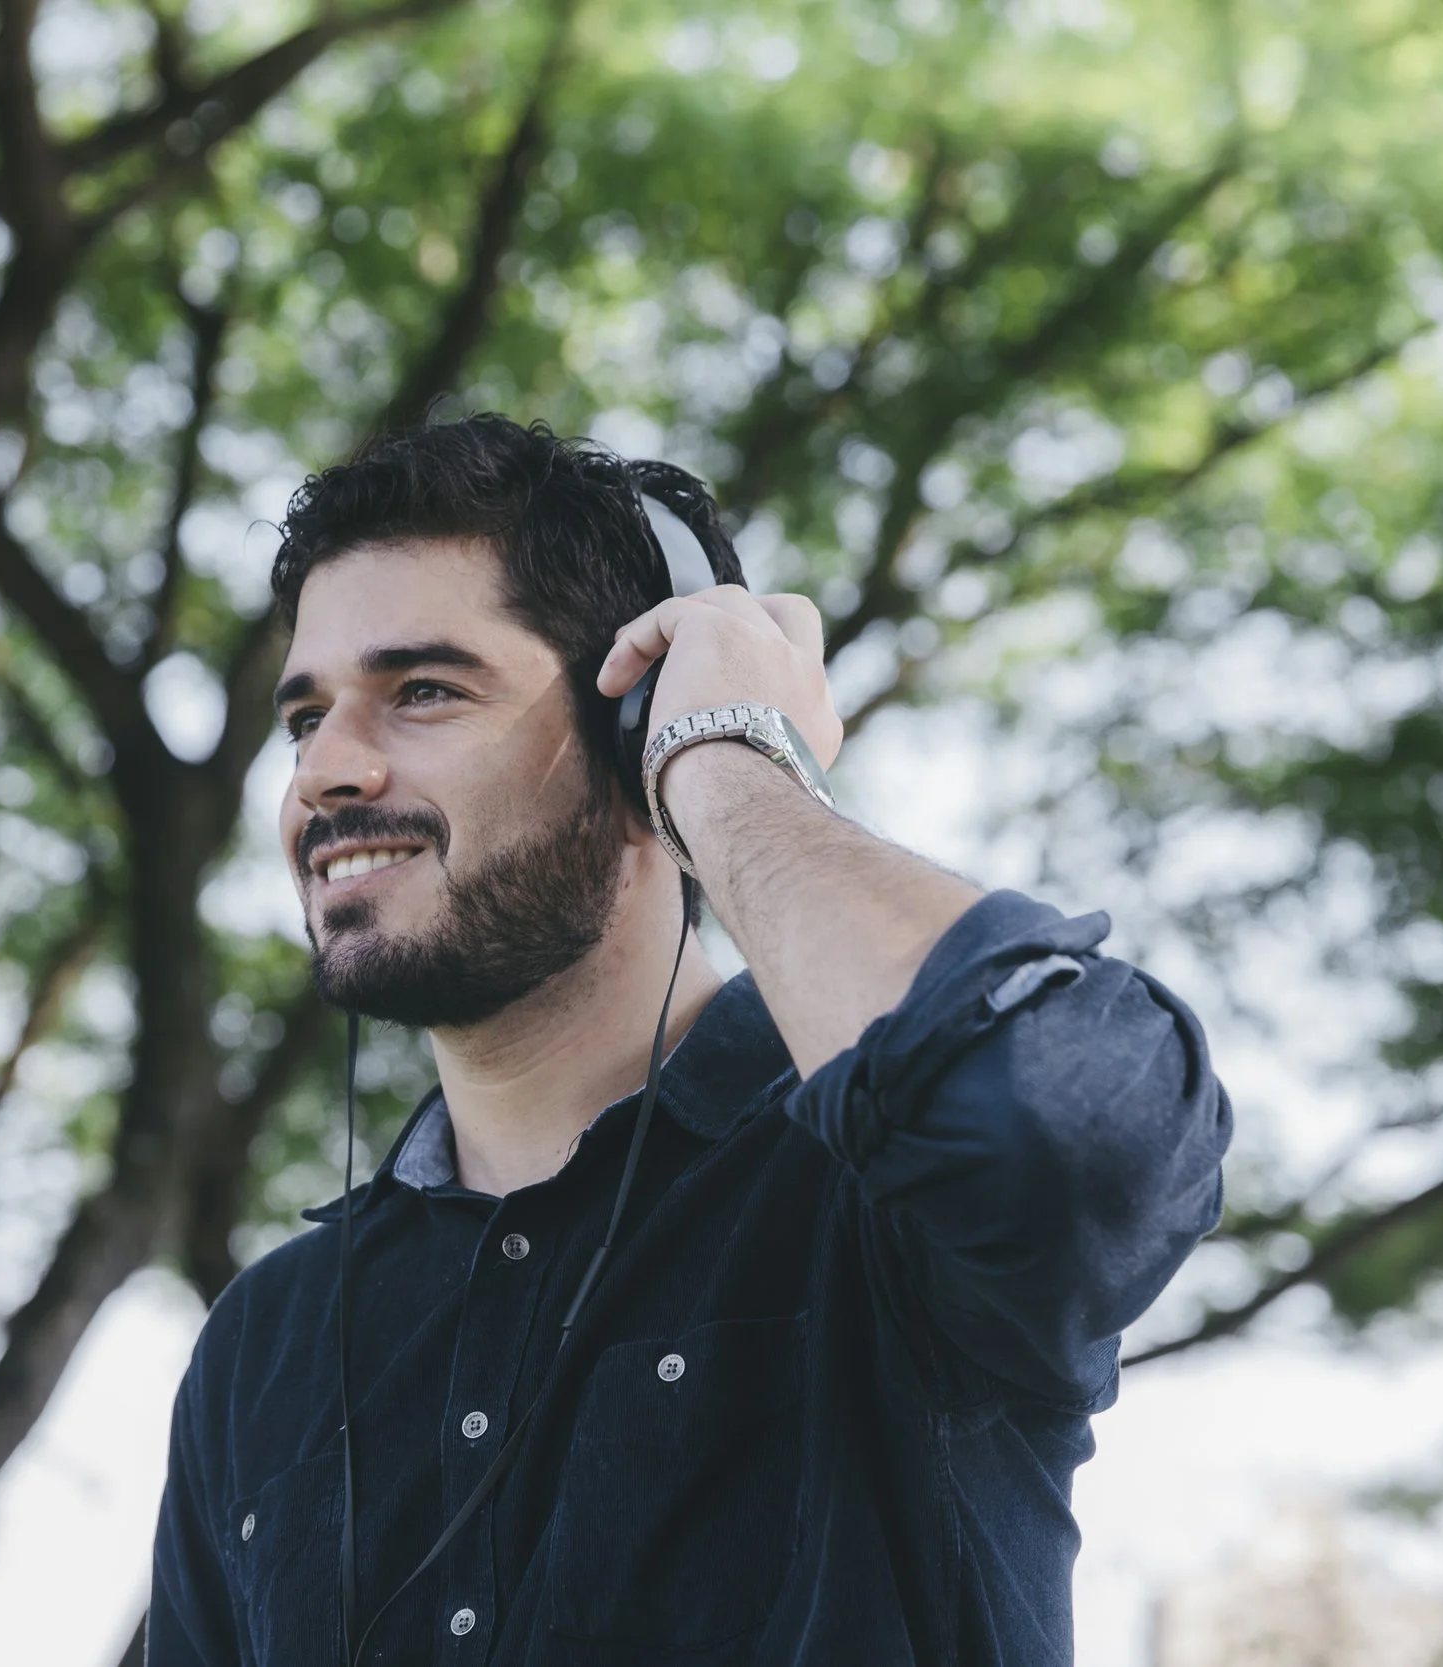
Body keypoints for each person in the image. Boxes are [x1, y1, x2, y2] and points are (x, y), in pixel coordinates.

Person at [147, 415, 1232, 1666]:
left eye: (423, 691)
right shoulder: (262, 1341)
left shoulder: (878, 1192)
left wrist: (722, 761)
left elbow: (1080, 1127)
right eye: (303, 718)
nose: (324, 770)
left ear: (631, 735)